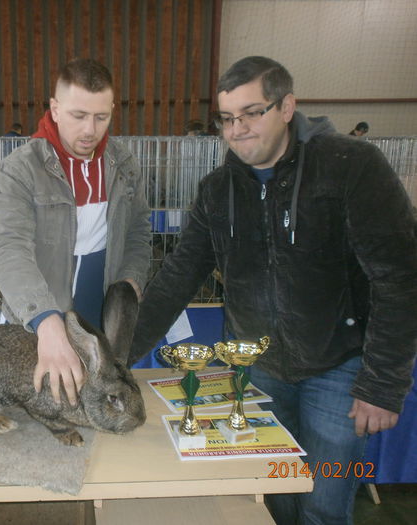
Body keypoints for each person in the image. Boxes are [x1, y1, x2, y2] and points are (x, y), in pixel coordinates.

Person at [128, 56, 417, 525]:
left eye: (251, 112)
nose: (237, 129)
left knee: (323, 504)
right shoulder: (217, 190)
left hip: (338, 370)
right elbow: (177, 277)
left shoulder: (350, 166)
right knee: (272, 497)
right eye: (227, 118)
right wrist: (117, 356)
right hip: (256, 370)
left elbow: (400, 278)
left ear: (287, 107)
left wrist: (383, 385)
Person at [0, 58, 151, 407]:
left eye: (101, 117)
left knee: (97, 405)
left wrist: (130, 282)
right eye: (78, 115)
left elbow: (138, 230)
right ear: (55, 109)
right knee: (38, 406)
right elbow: (7, 248)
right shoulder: (21, 169)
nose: (90, 130)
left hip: (99, 306)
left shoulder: (123, 165)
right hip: (37, 313)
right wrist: (45, 321)